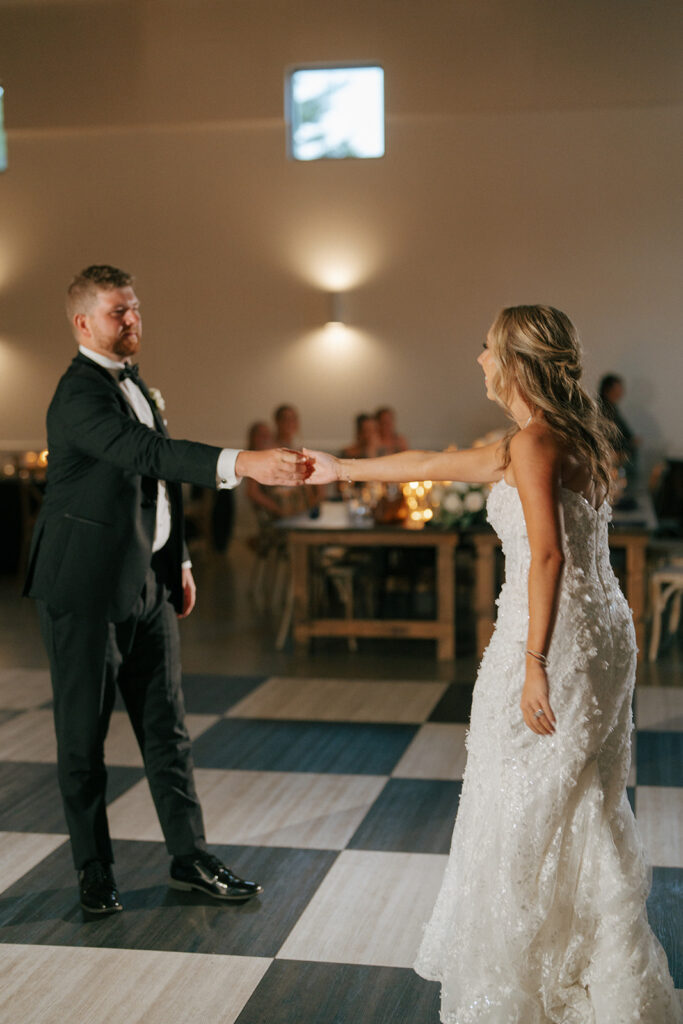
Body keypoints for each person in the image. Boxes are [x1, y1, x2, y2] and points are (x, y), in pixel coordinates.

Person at [305, 305, 680, 1023]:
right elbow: (428, 463)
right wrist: (341, 467)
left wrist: (535, 661)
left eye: (484, 350)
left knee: (520, 808)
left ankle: (522, 988)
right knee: (577, 803)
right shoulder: (561, 439)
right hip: (601, 632)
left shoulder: (536, 444)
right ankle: (591, 972)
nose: (476, 360)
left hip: (554, 641)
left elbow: (547, 554)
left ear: (513, 361)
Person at [24, 265, 309, 916]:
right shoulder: (78, 396)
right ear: (83, 324)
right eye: (117, 313)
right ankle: (93, 870)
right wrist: (242, 462)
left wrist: (177, 560)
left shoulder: (139, 387)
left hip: (149, 582)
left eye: (135, 308)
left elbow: (156, 484)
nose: (132, 320)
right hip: (84, 588)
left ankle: (189, 858)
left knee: (168, 731)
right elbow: (145, 455)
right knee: (81, 738)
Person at [599, 373, 640, 483]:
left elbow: (625, 432)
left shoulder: (613, 408)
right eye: (619, 388)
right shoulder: (602, 409)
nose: (622, 392)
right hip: (611, 455)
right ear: (609, 389)